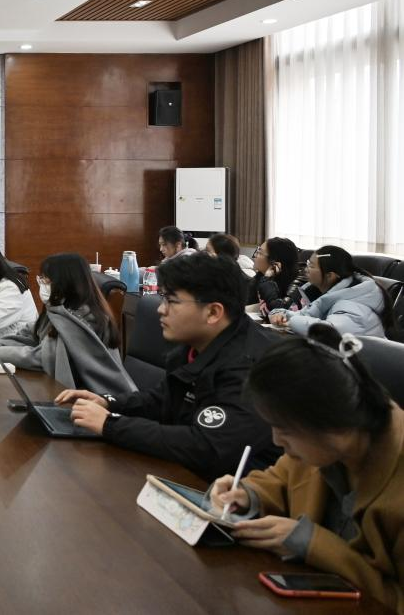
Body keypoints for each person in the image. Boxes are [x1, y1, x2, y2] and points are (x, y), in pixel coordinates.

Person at [209, 323, 403, 611]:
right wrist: (249, 494)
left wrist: (314, 544)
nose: (276, 440)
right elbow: (281, 478)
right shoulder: (321, 442)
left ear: (336, 427)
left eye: (284, 430)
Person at [55, 253, 282, 482]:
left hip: (242, 492)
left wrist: (110, 424)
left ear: (213, 312)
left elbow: (207, 446)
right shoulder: (195, 346)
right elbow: (162, 400)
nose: (160, 310)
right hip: (195, 476)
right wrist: (109, 402)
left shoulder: (254, 366)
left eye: (171, 301)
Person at [0, 252, 134, 397]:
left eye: (46, 280)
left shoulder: (82, 319)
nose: (42, 284)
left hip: (94, 398)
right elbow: (32, 333)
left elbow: (45, 359)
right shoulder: (60, 309)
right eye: (41, 279)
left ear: (64, 283)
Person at [270, 246, 395, 339]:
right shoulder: (329, 294)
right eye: (308, 263)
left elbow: (329, 332)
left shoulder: (353, 305)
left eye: (311, 266)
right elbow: (304, 315)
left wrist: (292, 321)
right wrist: (282, 315)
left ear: (330, 276)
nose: (306, 269)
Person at [250, 236, 302, 313]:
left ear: (275, 262)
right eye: (257, 250)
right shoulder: (259, 277)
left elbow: (278, 310)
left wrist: (267, 279)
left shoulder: (298, 282)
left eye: (260, 253)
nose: (254, 256)